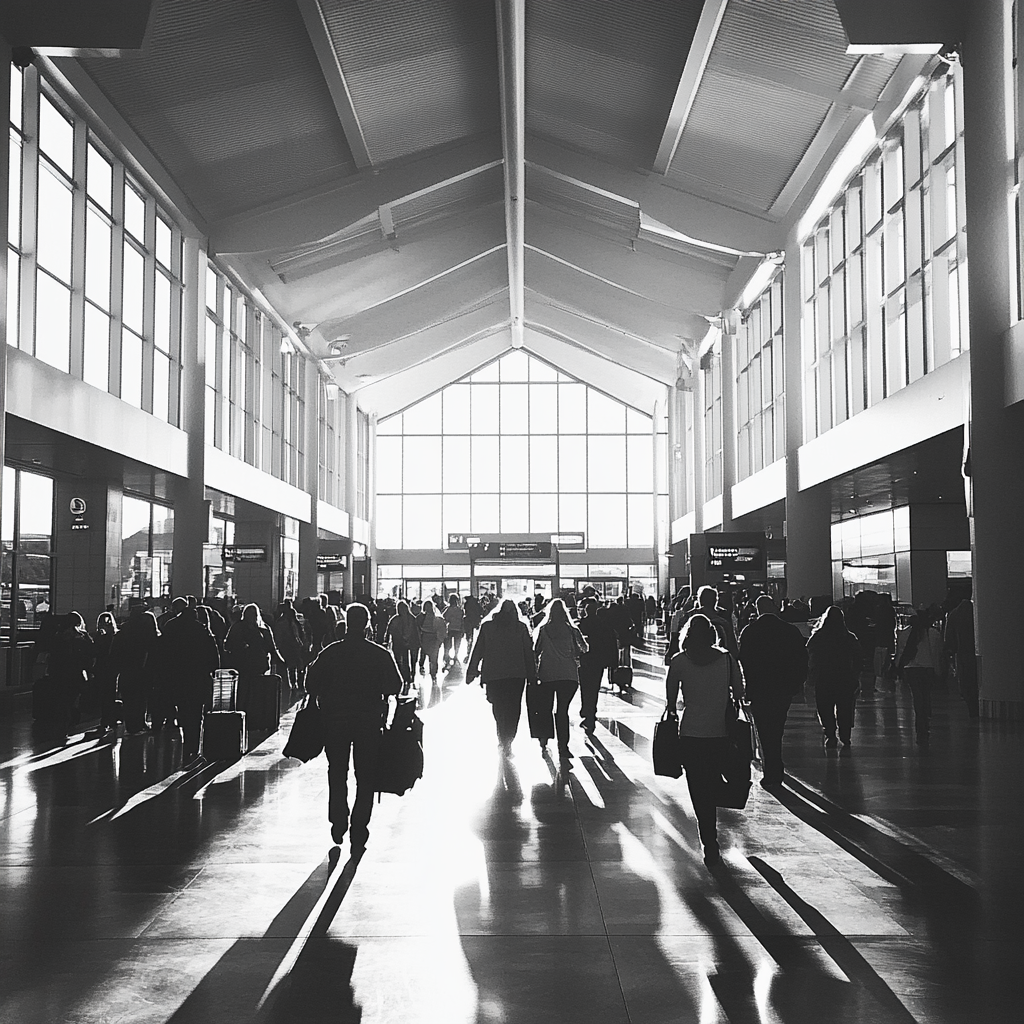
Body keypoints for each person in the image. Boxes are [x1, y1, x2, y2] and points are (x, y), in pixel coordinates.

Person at [304, 603, 403, 850]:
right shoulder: (379, 654)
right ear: (367, 624)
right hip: (368, 720)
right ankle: (360, 825)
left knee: (337, 771)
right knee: (365, 774)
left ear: (347, 622)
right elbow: (395, 685)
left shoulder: (331, 652)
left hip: (335, 719)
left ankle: (338, 820)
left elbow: (310, 683)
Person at [665, 614, 743, 868]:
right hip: (721, 733)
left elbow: (670, 698)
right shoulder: (727, 660)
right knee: (719, 780)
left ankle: (709, 841)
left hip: (691, 734)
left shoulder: (680, 661)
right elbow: (740, 692)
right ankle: (716, 812)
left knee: (699, 789)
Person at [738, 595, 808, 787]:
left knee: (764, 729)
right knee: (777, 727)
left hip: (759, 688)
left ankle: (771, 769)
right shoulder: (789, 631)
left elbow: (743, 660)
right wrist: (796, 684)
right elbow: (801, 659)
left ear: (757, 609)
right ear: (774, 608)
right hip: (782, 688)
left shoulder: (749, 632)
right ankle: (776, 765)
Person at [466, 599, 537, 754]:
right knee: (514, 708)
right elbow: (528, 653)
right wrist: (532, 675)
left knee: (498, 707)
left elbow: (478, 650)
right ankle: (508, 738)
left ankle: (502, 735)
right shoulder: (520, 628)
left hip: (494, 674)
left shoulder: (488, 627)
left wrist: (471, 671)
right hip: (516, 675)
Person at [162, 606, 220, 765]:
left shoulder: (171, 627)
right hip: (197, 678)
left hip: (177, 677)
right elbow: (213, 656)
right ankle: (192, 747)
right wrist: (212, 671)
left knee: (182, 709)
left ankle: (185, 738)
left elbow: (162, 652)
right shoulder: (201, 630)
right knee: (195, 714)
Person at [532, 598, 589, 759]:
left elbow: (536, 650)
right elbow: (584, 648)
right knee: (562, 711)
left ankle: (544, 739)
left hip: (547, 675)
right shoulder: (572, 630)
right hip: (568, 675)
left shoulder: (544, 629)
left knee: (546, 709)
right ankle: (563, 747)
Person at [806, 606, 861, 750]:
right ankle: (845, 734)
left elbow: (809, 654)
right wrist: (856, 675)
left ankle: (830, 733)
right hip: (845, 677)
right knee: (845, 707)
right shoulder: (849, 637)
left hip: (824, 677)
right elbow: (858, 659)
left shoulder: (818, 637)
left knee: (824, 707)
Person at [895, 610, 943, 747]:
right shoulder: (933, 634)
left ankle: (920, 723)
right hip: (928, 669)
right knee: (926, 695)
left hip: (911, 669)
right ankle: (925, 720)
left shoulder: (905, 633)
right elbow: (936, 654)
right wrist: (938, 671)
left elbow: (900, 651)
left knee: (917, 696)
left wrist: (897, 667)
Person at [111, 608, 160, 734]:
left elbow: (114, 654)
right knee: (141, 698)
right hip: (143, 672)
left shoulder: (122, 633)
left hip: (126, 671)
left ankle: (130, 725)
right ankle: (139, 722)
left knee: (129, 699)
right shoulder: (145, 633)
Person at [48, 612, 95, 736]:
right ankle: (69, 722)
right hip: (76, 674)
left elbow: (52, 657)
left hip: (59, 674)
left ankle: (61, 725)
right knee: (71, 699)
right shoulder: (82, 637)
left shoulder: (59, 637)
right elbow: (91, 654)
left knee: (62, 700)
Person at [577, 596, 618, 734]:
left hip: (585, 660)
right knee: (594, 687)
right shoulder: (603, 624)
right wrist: (612, 662)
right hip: (598, 661)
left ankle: (585, 710)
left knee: (584, 686)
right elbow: (611, 643)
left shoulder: (582, 624)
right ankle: (591, 711)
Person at [225, 603, 284, 683]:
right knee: (257, 687)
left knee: (244, 687)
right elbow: (271, 647)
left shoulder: (238, 627)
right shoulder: (264, 629)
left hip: (241, 663)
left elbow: (228, 645)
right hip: (259, 663)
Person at [943, 596, 978, 717]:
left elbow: (949, 640)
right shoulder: (978, 611)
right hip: (977, 653)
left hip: (962, 654)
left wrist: (950, 654)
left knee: (966, 683)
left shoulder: (954, 614)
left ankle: (972, 709)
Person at [88, 611, 119, 739]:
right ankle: (110, 719)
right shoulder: (115, 636)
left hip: (103, 669)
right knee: (109, 695)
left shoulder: (101, 637)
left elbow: (95, 652)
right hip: (110, 669)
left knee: (106, 696)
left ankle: (107, 720)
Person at [272, 600, 307, 690]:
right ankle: (296, 685)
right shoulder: (292, 620)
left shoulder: (284, 621)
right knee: (296, 665)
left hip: (291, 645)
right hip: (291, 645)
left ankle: (295, 685)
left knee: (294, 665)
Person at [385, 600, 419, 687]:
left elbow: (389, 630)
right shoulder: (410, 618)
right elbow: (389, 630)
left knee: (403, 660)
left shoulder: (398, 619)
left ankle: (406, 676)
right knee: (404, 660)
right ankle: (406, 676)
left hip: (401, 643)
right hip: (402, 643)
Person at [418, 599, 447, 684]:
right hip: (425, 637)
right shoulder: (421, 617)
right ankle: (424, 667)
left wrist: (439, 639)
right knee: (426, 654)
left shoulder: (437, 618)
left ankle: (433, 673)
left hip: (433, 638)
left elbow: (441, 628)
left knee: (434, 657)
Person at [442, 593, 465, 670]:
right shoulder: (460, 610)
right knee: (457, 644)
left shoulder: (448, 609)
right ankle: (456, 656)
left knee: (448, 644)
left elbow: (444, 618)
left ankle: (447, 656)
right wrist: (463, 629)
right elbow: (462, 620)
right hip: (458, 629)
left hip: (450, 629)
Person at [462, 595, 483, 663]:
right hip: (475, 621)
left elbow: (465, 612)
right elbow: (481, 611)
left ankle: (469, 649)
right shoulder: (476, 603)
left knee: (469, 636)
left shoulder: (467, 603)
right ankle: (471, 649)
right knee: (474, 636)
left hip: (468, 621)